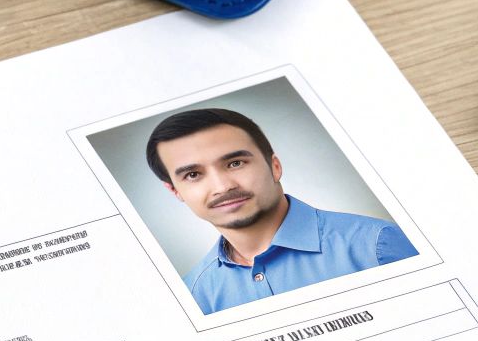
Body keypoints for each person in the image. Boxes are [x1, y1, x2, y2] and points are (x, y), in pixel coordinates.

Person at [144, 108, 415, 315]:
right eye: (193, 175)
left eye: (235, 163)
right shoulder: (192, 297)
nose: (222, 186)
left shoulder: (376, 244)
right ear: (176, 191)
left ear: (274, 166)